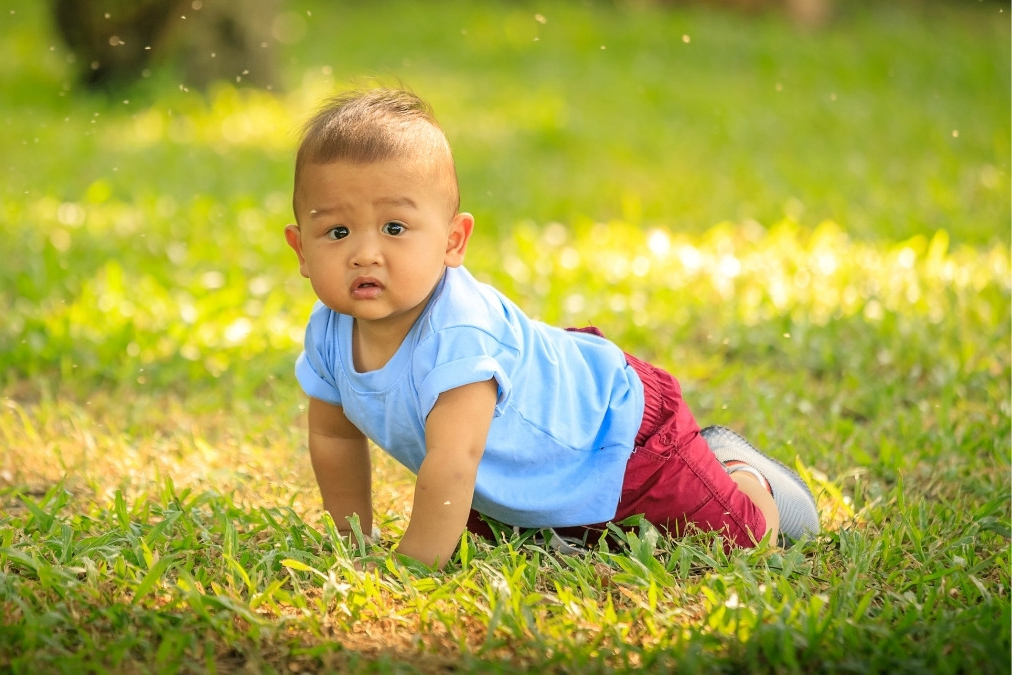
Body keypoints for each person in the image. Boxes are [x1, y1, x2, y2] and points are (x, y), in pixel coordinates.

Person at [283, 87, 819, 569]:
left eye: (395, 227)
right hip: (526, 468)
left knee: (737, 544)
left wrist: (412, 570)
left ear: (453, 241)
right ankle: (568, 511)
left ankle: (743, 474)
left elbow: (451, 464)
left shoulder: (460, 337)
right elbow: (334, 435)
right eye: (337, 231)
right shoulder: (329, 332)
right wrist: (354, 539)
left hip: (618, 434)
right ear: (301, 249)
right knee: (547, 544)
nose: (365, 253)